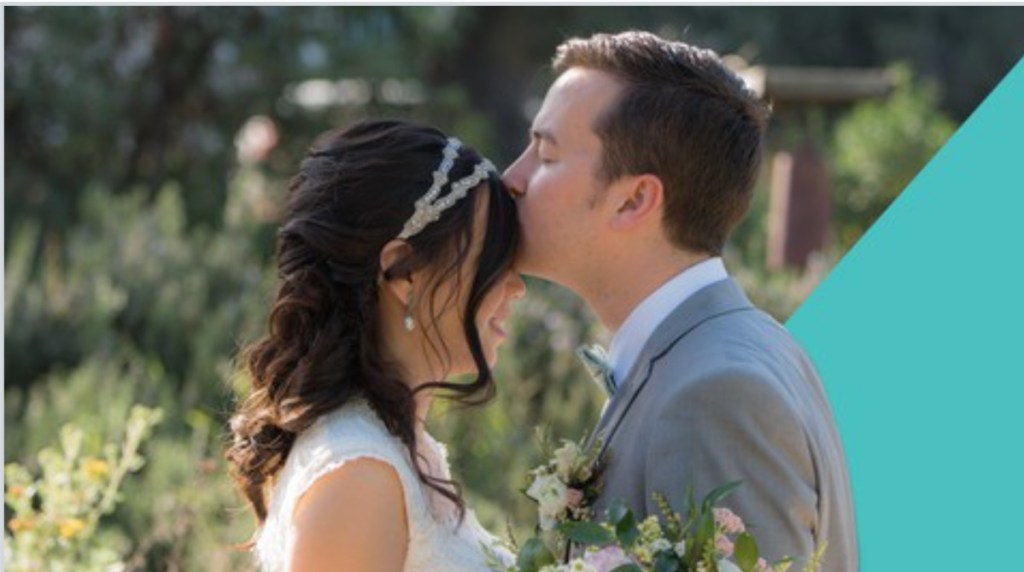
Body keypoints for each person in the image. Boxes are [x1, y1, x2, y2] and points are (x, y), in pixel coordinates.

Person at [503, 31, 858, 571]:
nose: (512, 178)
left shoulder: (718, 391)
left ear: (635, 199)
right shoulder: (722, 352)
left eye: (546, 155)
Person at [227, 119, 524, 572]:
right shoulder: (359, 474)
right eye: (492, 258)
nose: (515, 286)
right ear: (403, 271)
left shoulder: (396, 448)